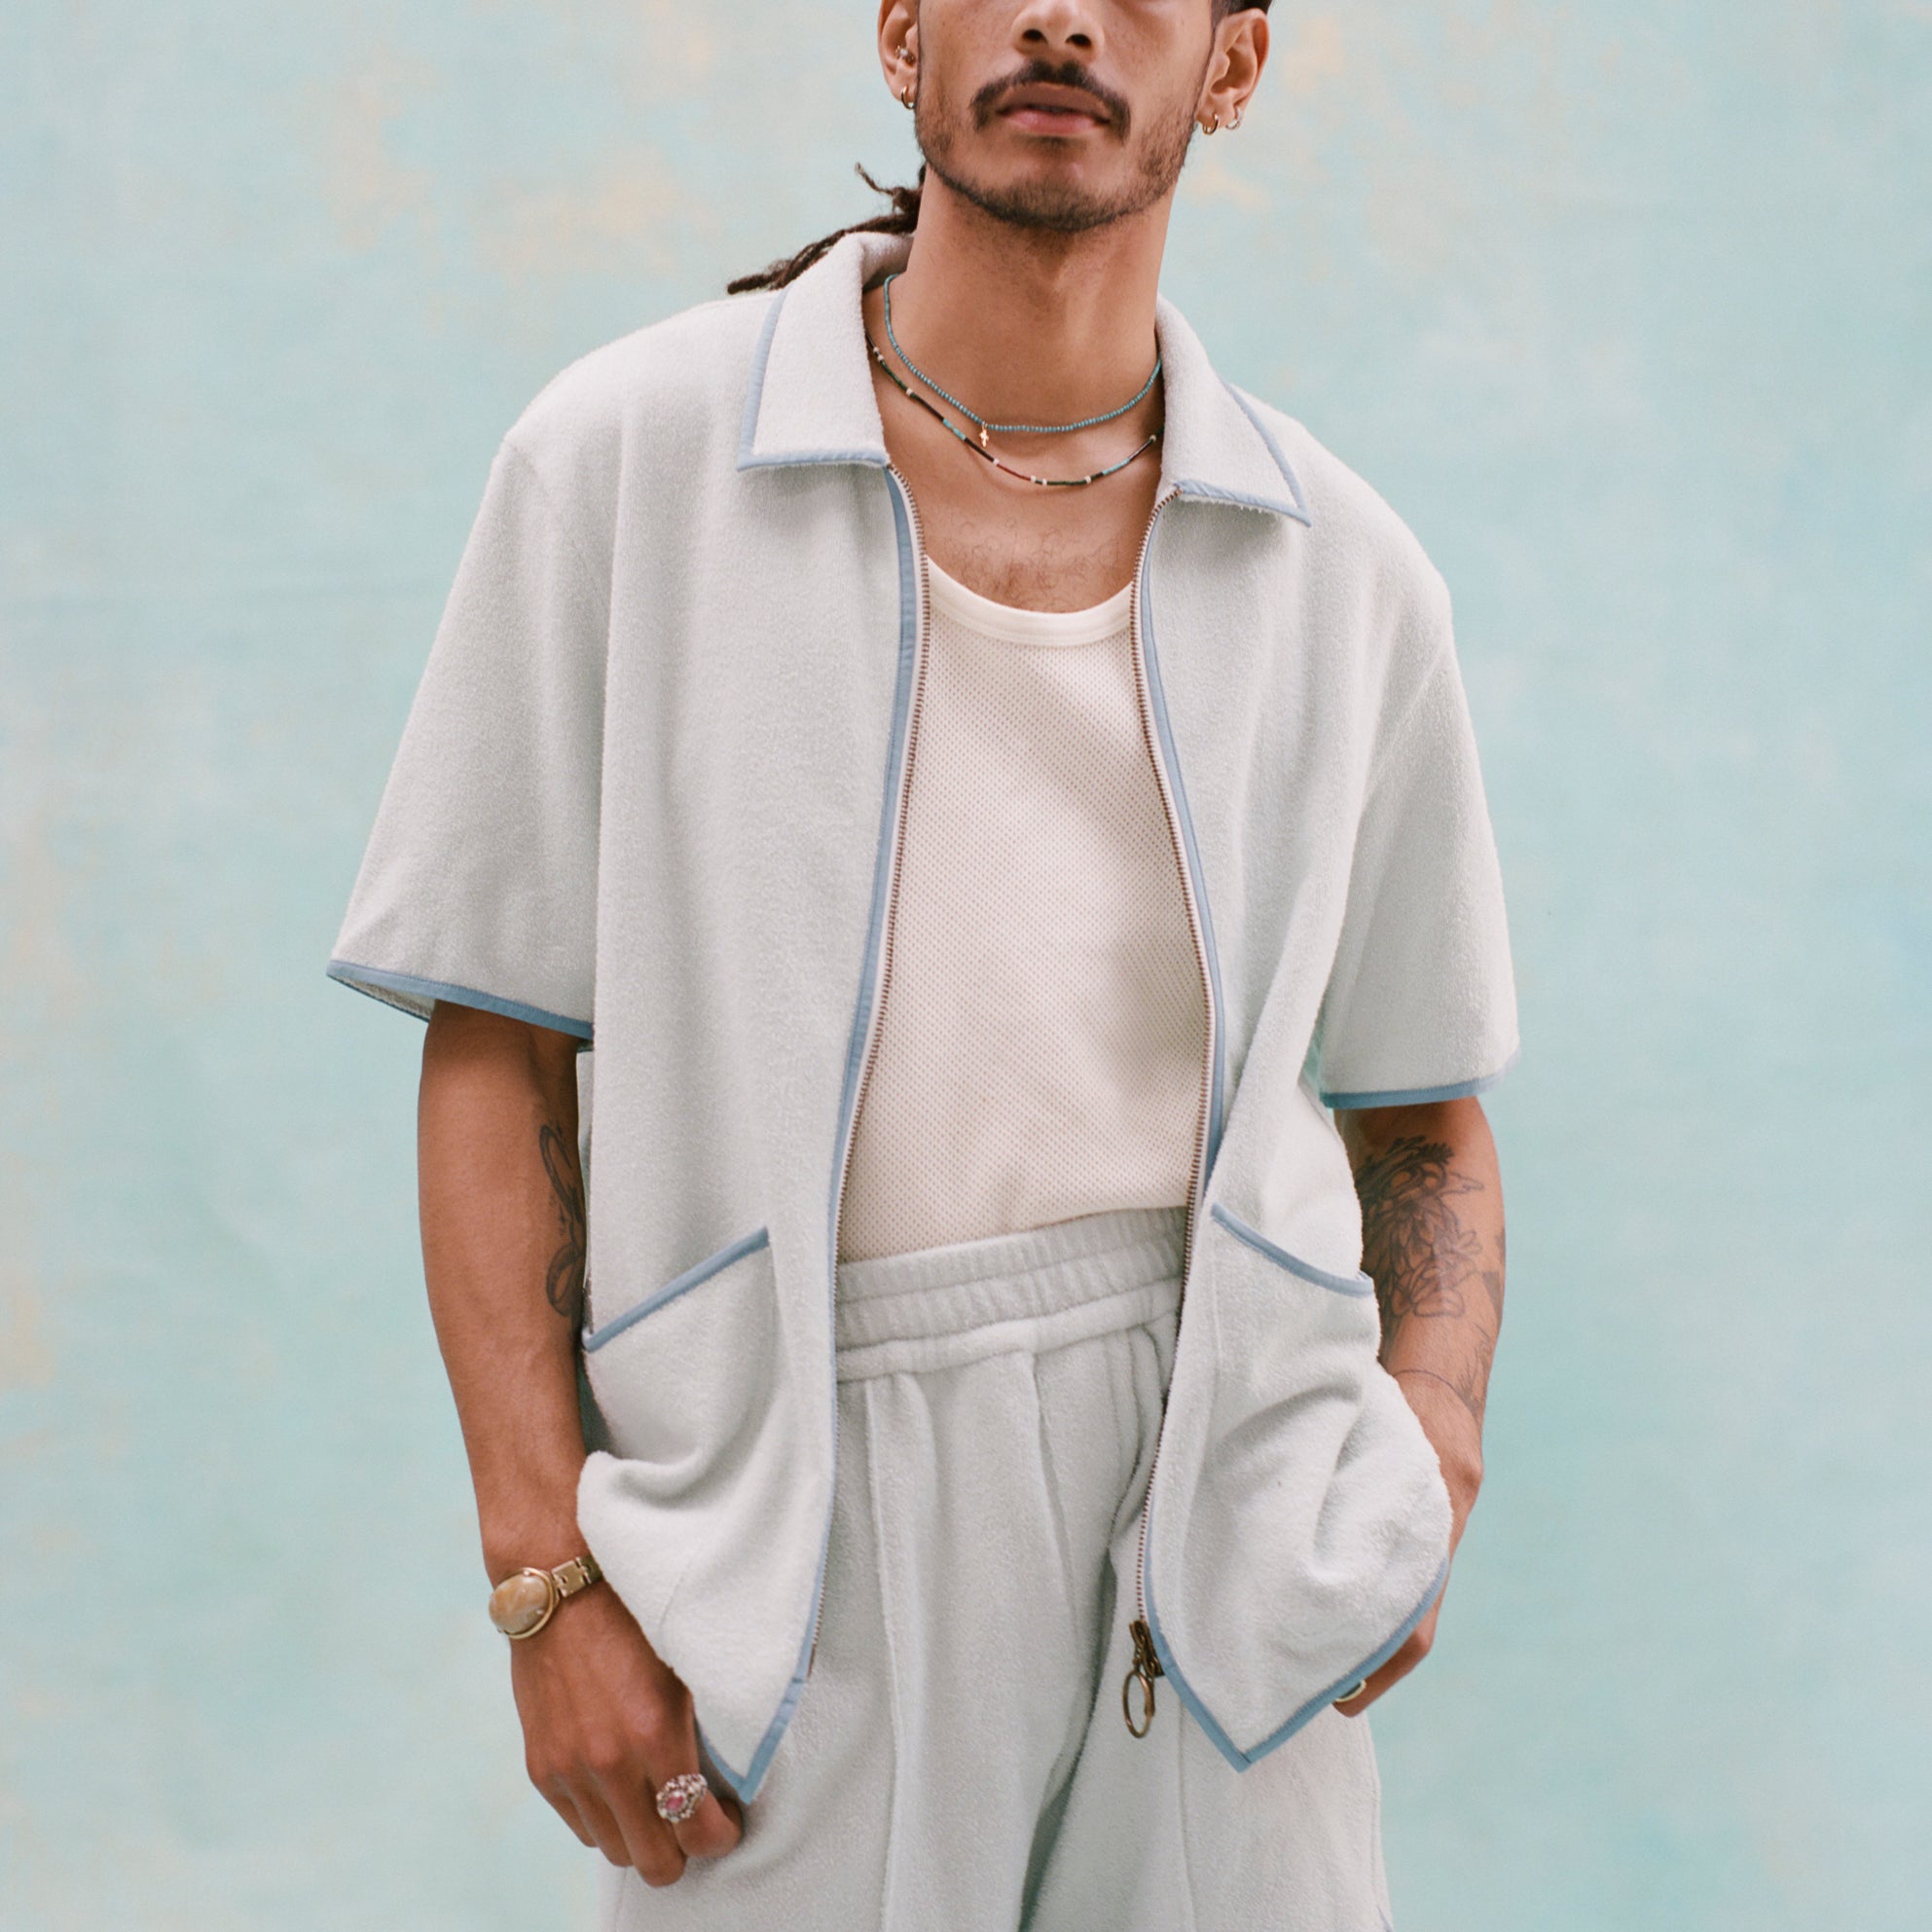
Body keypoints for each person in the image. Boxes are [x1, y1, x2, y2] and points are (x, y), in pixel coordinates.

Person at [326, 2, 1518, 1925]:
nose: (1062, 13)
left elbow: (1425, 1113)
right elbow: (494, 1050)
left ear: (1233, 62)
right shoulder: (625, 463)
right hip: (796, 1490)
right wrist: (544, 1576)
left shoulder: (1346, 575)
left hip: (1224, 1475)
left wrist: (1429, 1460)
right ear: (900, 28)